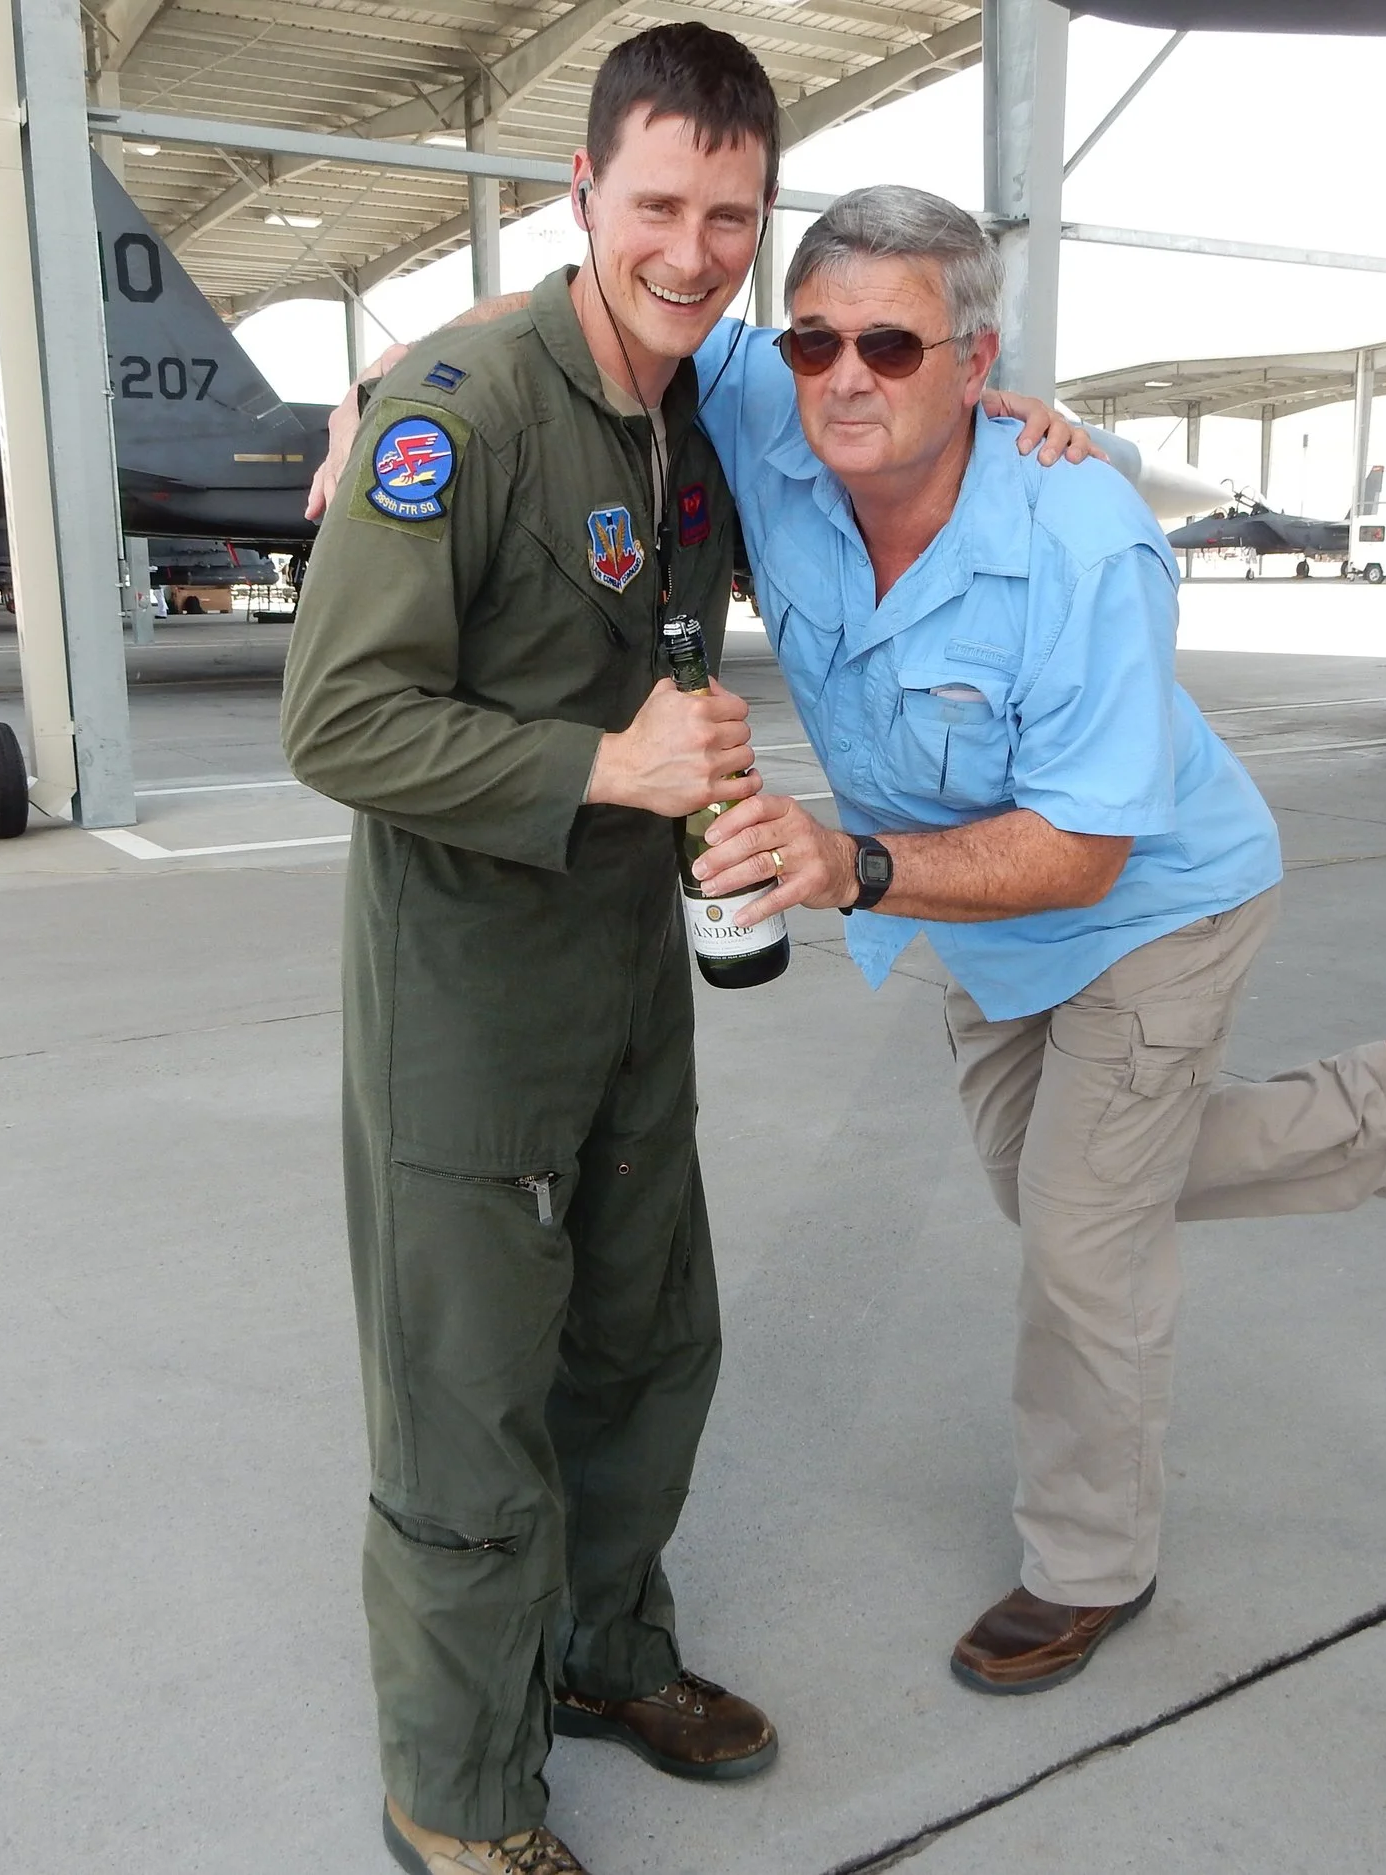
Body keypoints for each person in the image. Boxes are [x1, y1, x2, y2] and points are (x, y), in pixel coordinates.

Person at [281, 30, 1089, 1875]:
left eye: (732, 213)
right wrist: (605, 762)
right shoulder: (461, 414)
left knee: (648, 1346)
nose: (698, 248)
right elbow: (334, 719)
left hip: (635, 973)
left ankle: (604, 1658)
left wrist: (1028, 413)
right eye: (659, 204)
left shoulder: (700, 405)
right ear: (582, 193)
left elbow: (883, 394)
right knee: (471, 1400)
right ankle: (460, 1797)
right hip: (466, 1006)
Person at [679, 186, 1386, 1696]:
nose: (842, 375)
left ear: (976, 360)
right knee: (1042, 1185)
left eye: (891, 345)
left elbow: (1083, 844)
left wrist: (852, 862)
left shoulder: (1085, 537)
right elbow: (600, 311)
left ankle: (1090, 1562)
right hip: (974, 915)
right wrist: (393, 396)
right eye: (814, 335)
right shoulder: (781, 414)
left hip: (1148, 899)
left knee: (1085, 1242)